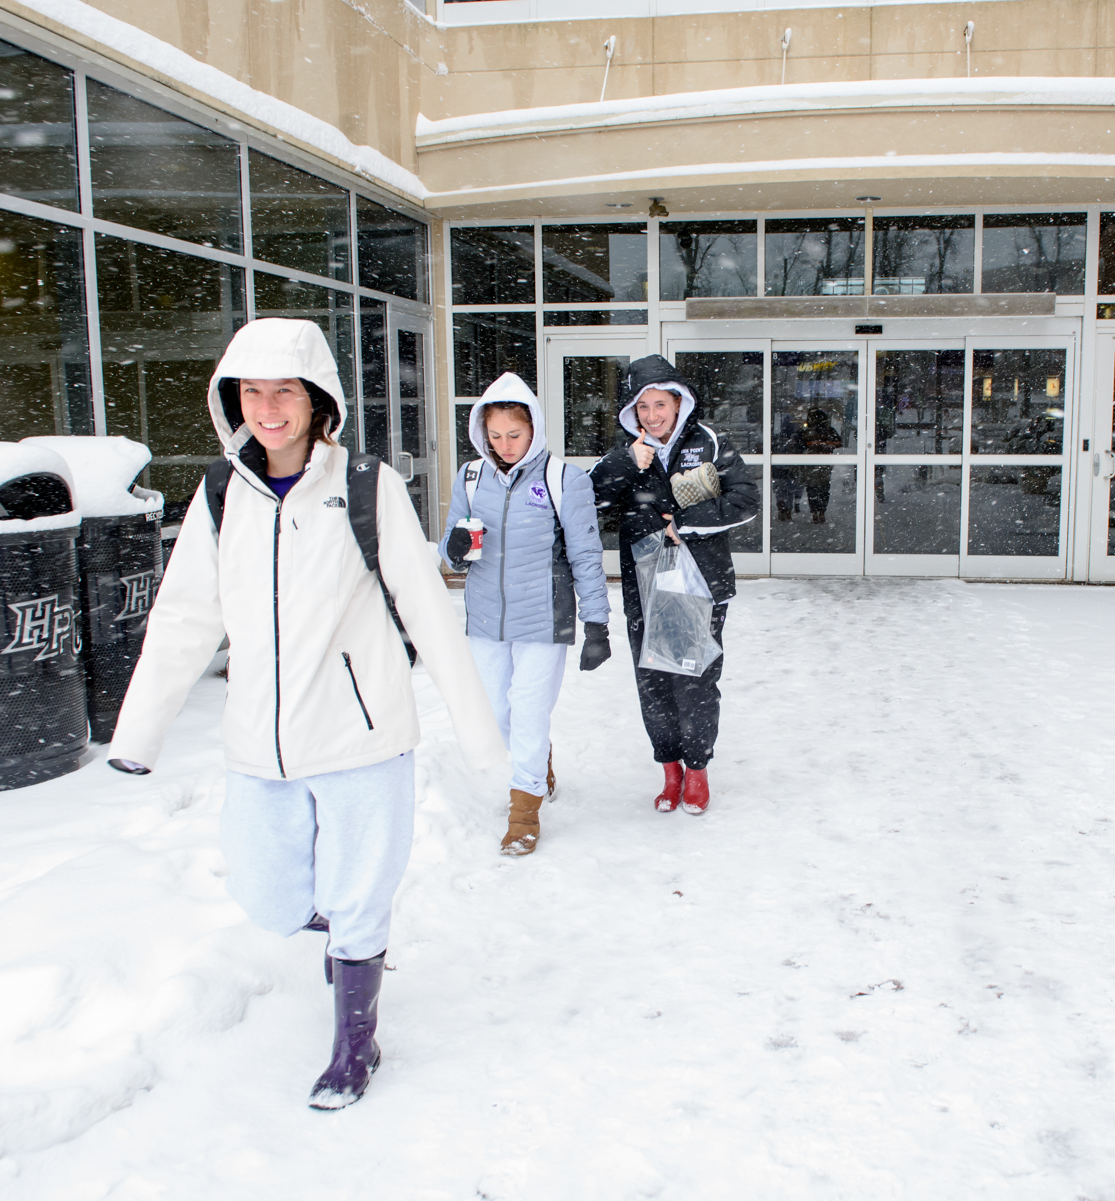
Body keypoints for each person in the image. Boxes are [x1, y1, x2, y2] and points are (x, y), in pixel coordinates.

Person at [105, 318, 504, 1111]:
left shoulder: (366, 484)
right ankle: (348, 935)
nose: (268, 408)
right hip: (260, 738)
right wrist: (139, 731)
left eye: (284, 390)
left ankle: (355, 1040)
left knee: (360, 892)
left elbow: (425, 609)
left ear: (317, 398)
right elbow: (185, 614)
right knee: (268, 894)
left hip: (361, 732)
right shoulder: (222, 493)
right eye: (251, 391)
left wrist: (480, 735)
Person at [438, 372, 611, 856]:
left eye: (514, 434)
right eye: (495, 435)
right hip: (486, 619)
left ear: (533, 428)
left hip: (543, 619)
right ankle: (539, 761)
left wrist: (596, 623)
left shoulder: (564, 480)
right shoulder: (471, 477)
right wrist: (454, 548)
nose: (505, 445)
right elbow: (451, 549)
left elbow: (586, 555)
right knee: (496, 715)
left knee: (530, 714)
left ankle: (524, 813)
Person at [590, 355, 759, 816]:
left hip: (700, 578)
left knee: (695, 680)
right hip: (645, 581)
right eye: (642, 407)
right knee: (653, 682)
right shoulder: (626, 448)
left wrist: (683, 522)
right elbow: (588, 498)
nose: (652, 416)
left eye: (660, 404)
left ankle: (697, 769)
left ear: (679, 402)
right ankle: (670, 770)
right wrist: (624, 463)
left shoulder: (708, 443)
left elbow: (746, 499)